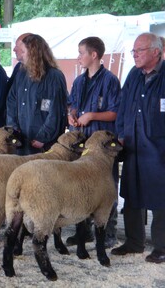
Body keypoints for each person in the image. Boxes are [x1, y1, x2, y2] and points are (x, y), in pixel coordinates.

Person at [111, 32, 165, 264]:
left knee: (161, 198)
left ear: (156, 51)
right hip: (133, 144)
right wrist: (121, 135)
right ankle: (134, 242)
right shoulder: (133, 74)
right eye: (133, 51)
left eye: (139, 50)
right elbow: (123, 107)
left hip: (159, 148)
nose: (135, 55)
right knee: (131, 193)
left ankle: (162, 247)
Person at [67, 36, 121, 248]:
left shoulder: (110, 81)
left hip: (101, 145)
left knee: (106, 188)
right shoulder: (79, 81)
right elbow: (72, 104)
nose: (78, 57)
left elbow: (115, 112)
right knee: (81, 186)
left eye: (81, 53)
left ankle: (108, 233)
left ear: (94, 55)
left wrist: (91, 116)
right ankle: (83, 232)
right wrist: (71, 115)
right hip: (82, 140)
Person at [6, 34, 68, 155]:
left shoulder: (54, 76)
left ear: (34, 53)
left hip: (43, 143)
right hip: (22, 139)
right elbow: (12, 100)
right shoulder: (21, 73)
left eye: (23, 51)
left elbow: (56, 111)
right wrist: (13, 128)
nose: (20, 54)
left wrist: (43, 137)